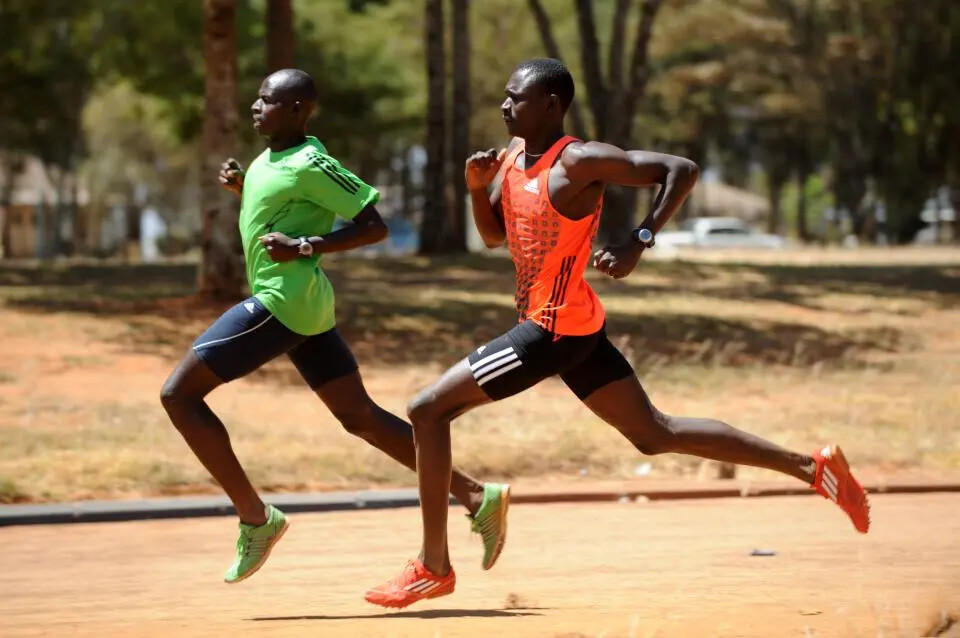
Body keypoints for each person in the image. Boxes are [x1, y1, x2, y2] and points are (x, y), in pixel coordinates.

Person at [364, 58, 870, 609]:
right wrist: (474, 187)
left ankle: (433, 566)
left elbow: (680, 168)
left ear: (551, 105)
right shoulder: (511, 157)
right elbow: (492, 237)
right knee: (655, 433)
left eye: (517, 97)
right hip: (573, 325)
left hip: (551, 330)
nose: (505, 105)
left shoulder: (579, 160)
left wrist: (639, 239)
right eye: (505, 96)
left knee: (427, 410)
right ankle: (813, 467)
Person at [160, 69, 509, 585]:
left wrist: (306, 247)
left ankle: (256, 519)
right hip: (306, 309)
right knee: (360, 417)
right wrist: (244, 187)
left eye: (267, 100)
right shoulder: (269, 159)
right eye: (257, 98)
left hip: (282, 303)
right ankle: (476, 494)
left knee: (179, 396)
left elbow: (374, 226)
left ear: (298, 109)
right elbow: (281, 208)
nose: (256, 107)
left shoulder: (312, 162)